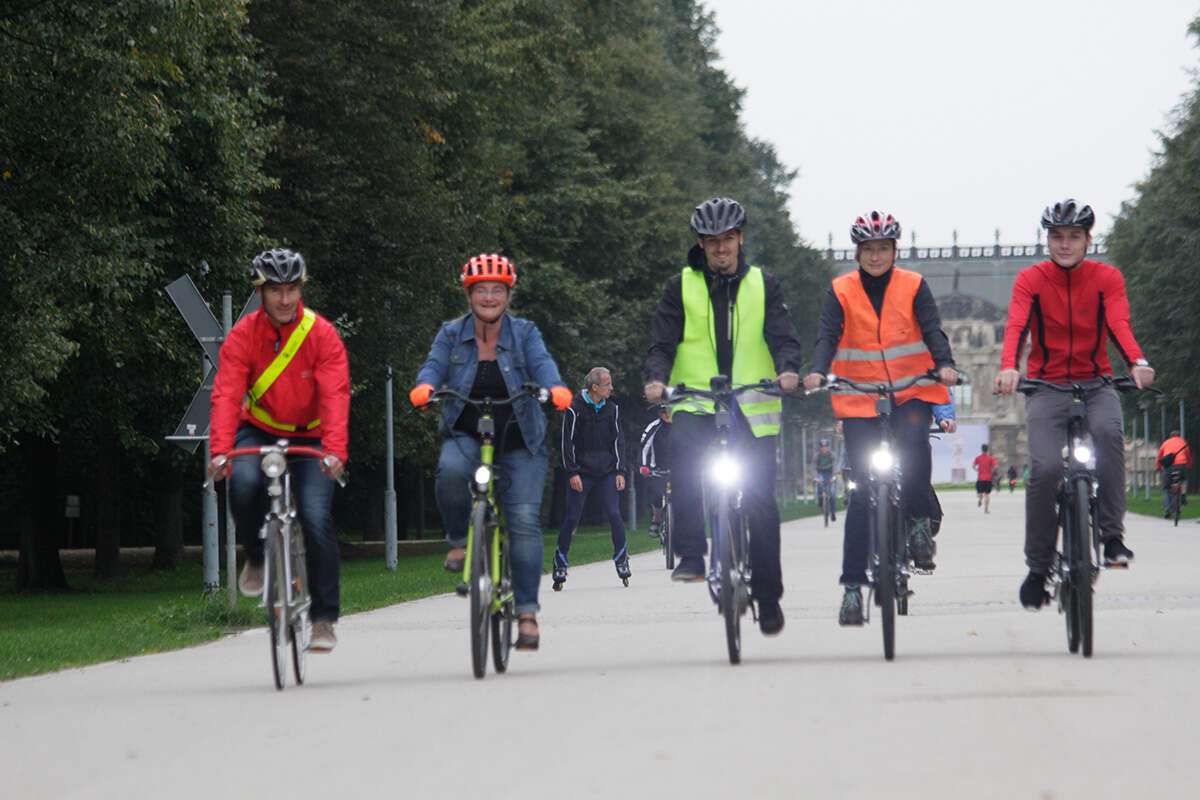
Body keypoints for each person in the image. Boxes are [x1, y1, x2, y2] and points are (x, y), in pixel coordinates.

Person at [644, 196, 803, 636]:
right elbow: (662, 341)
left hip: (751, 406)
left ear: (740, 238)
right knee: (683, 457)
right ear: (701, 243)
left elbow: (783, 336)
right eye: (712, 241)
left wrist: (789, 371)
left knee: (760, 505)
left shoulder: (762, 284)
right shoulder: (680, 287)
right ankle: (692, 553)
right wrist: (656, 379)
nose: (720, 248)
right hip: (696, 401)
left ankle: (768, 598)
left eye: (728, 239)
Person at [995, 199, 1155, 610]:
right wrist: (1009, 367)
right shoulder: (1031, 279)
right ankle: (1038, 566)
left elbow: (1119, 323)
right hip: (1047, 386)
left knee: (1109, 434)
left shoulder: (1107, 278)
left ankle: (1112, 537)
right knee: (1046, 469)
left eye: (1074, 237)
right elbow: (1016, 325)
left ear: (1087, 240)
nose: (1065, 245)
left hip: (1096, 382)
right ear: (1047, 240)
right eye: (1057, 237)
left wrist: (1137, 362)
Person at [803, 210, 959, 627]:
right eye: (868, 249)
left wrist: (943, 363)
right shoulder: (841, 290)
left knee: (914, 447)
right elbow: (827, 335)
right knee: (860, 490)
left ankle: (920, 523)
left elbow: (932, 329)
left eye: (883, 248)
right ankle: (852, 589)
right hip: (858, 399)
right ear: (858, 252)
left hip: (911, 390)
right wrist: (818, 370)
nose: (875, 256)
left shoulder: (913, 285)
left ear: (894, 250)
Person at [410, 253, 572, 650]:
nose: (488, 296)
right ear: (469, 294)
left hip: (520, 438)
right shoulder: (450, 334)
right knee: (449, 472)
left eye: (496, 289)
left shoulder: (525, 332)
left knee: (522, 519)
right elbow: (432, 368)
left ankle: (528, 613)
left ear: (508, 294)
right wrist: (425, 387)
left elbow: (542, 365)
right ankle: (458, 541)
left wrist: (556, 388)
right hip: (468, 431)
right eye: (480, 289)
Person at [208, 248, 350, 653]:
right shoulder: (243, 336)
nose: (284, 299)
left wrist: (335, 450)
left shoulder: (320, 334)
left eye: (291, 289)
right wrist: (220, 450)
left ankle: (323, 618)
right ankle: (255, 554)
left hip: (313, 436)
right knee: (243, 483)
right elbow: (227, 393)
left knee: (315, 516)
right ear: (261, 292)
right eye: (275, 290)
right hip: (259, 430)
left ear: (301, 290)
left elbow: (335, 394)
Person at [554, 367, 630, 588]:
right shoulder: (573, 409)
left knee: (615, 514)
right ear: (595, 387)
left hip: (606, 471)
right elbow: (566, 442)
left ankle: (622, 558)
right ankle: (560, 562)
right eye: (608, 384)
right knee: (572, 517)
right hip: (582, 471)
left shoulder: (612, 410)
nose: (611, 388)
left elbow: (618, 441)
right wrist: (572, 471)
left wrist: (620, 470)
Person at [639, 406, 672, 539]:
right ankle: (657, 519)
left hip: (678, 469)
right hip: (657, 469)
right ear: (660, 413)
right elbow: (644, 447)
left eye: (670, 411)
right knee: (657, 494)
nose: (667, 415)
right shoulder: (654, 427)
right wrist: (643, 466)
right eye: (664, 412)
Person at [1156, 430, 1191, 517]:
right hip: (1181, 465)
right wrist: (1189, 465)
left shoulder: (1166, 443)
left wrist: (1158, 466)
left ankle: (1167, 508)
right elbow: (1188, 456)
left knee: (1166, 487)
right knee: (1184, 480)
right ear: (1179, 436)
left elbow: (1159, 456)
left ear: (1171, 436)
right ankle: (1183, 495)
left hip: (1168, 467)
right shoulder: (1183, 442)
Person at [813, 439, 837, 521]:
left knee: (832, 494)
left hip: (830, 474)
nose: (824, 448)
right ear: (820, 448)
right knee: (819, 489)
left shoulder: (832, 455)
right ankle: (820, 502)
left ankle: (833, 513)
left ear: (828, 447)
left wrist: (833, 477)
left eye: (825, 447)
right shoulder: (817, 456)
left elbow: (834, 467)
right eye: (822, 447)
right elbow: (814, 468)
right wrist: (816, 478)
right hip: (821, 473)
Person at [972, 444, 998, 513]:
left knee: (980, 493)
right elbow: (995, 466)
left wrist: (977, 470)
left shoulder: (978, 458)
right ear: (987, 450)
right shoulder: (990, 458)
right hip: (988, 479)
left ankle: (980, 500)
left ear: (982, 449)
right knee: (987, 494)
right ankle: (986, 509)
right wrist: (991, 471)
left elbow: (973, 466)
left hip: (980, 478)